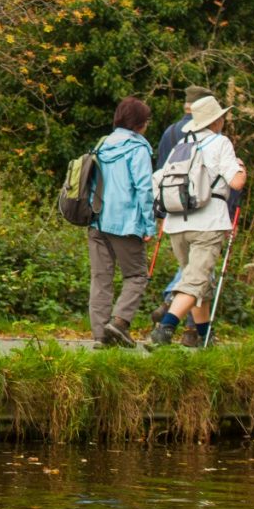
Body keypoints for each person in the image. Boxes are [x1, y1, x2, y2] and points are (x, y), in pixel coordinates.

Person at [148, 95, 246, 348]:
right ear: (216, 121)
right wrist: (240, 168)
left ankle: (204, 337)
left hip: (177, 223)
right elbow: (236, 183)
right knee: (194, 281)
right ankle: (165, 328)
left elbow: (158, 179)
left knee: (199, 279)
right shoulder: (221, 143)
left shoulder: (182, 143)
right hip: (208, 222)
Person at [87, 97, 157, 348]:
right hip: (126, 222)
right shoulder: (138, 149)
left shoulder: (102, 144)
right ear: (139, 123)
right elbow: (144, 189)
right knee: (137, 275)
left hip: (97, 220)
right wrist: (149, 225)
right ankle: (119, 323)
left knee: (100, 277)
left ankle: (100, 336)